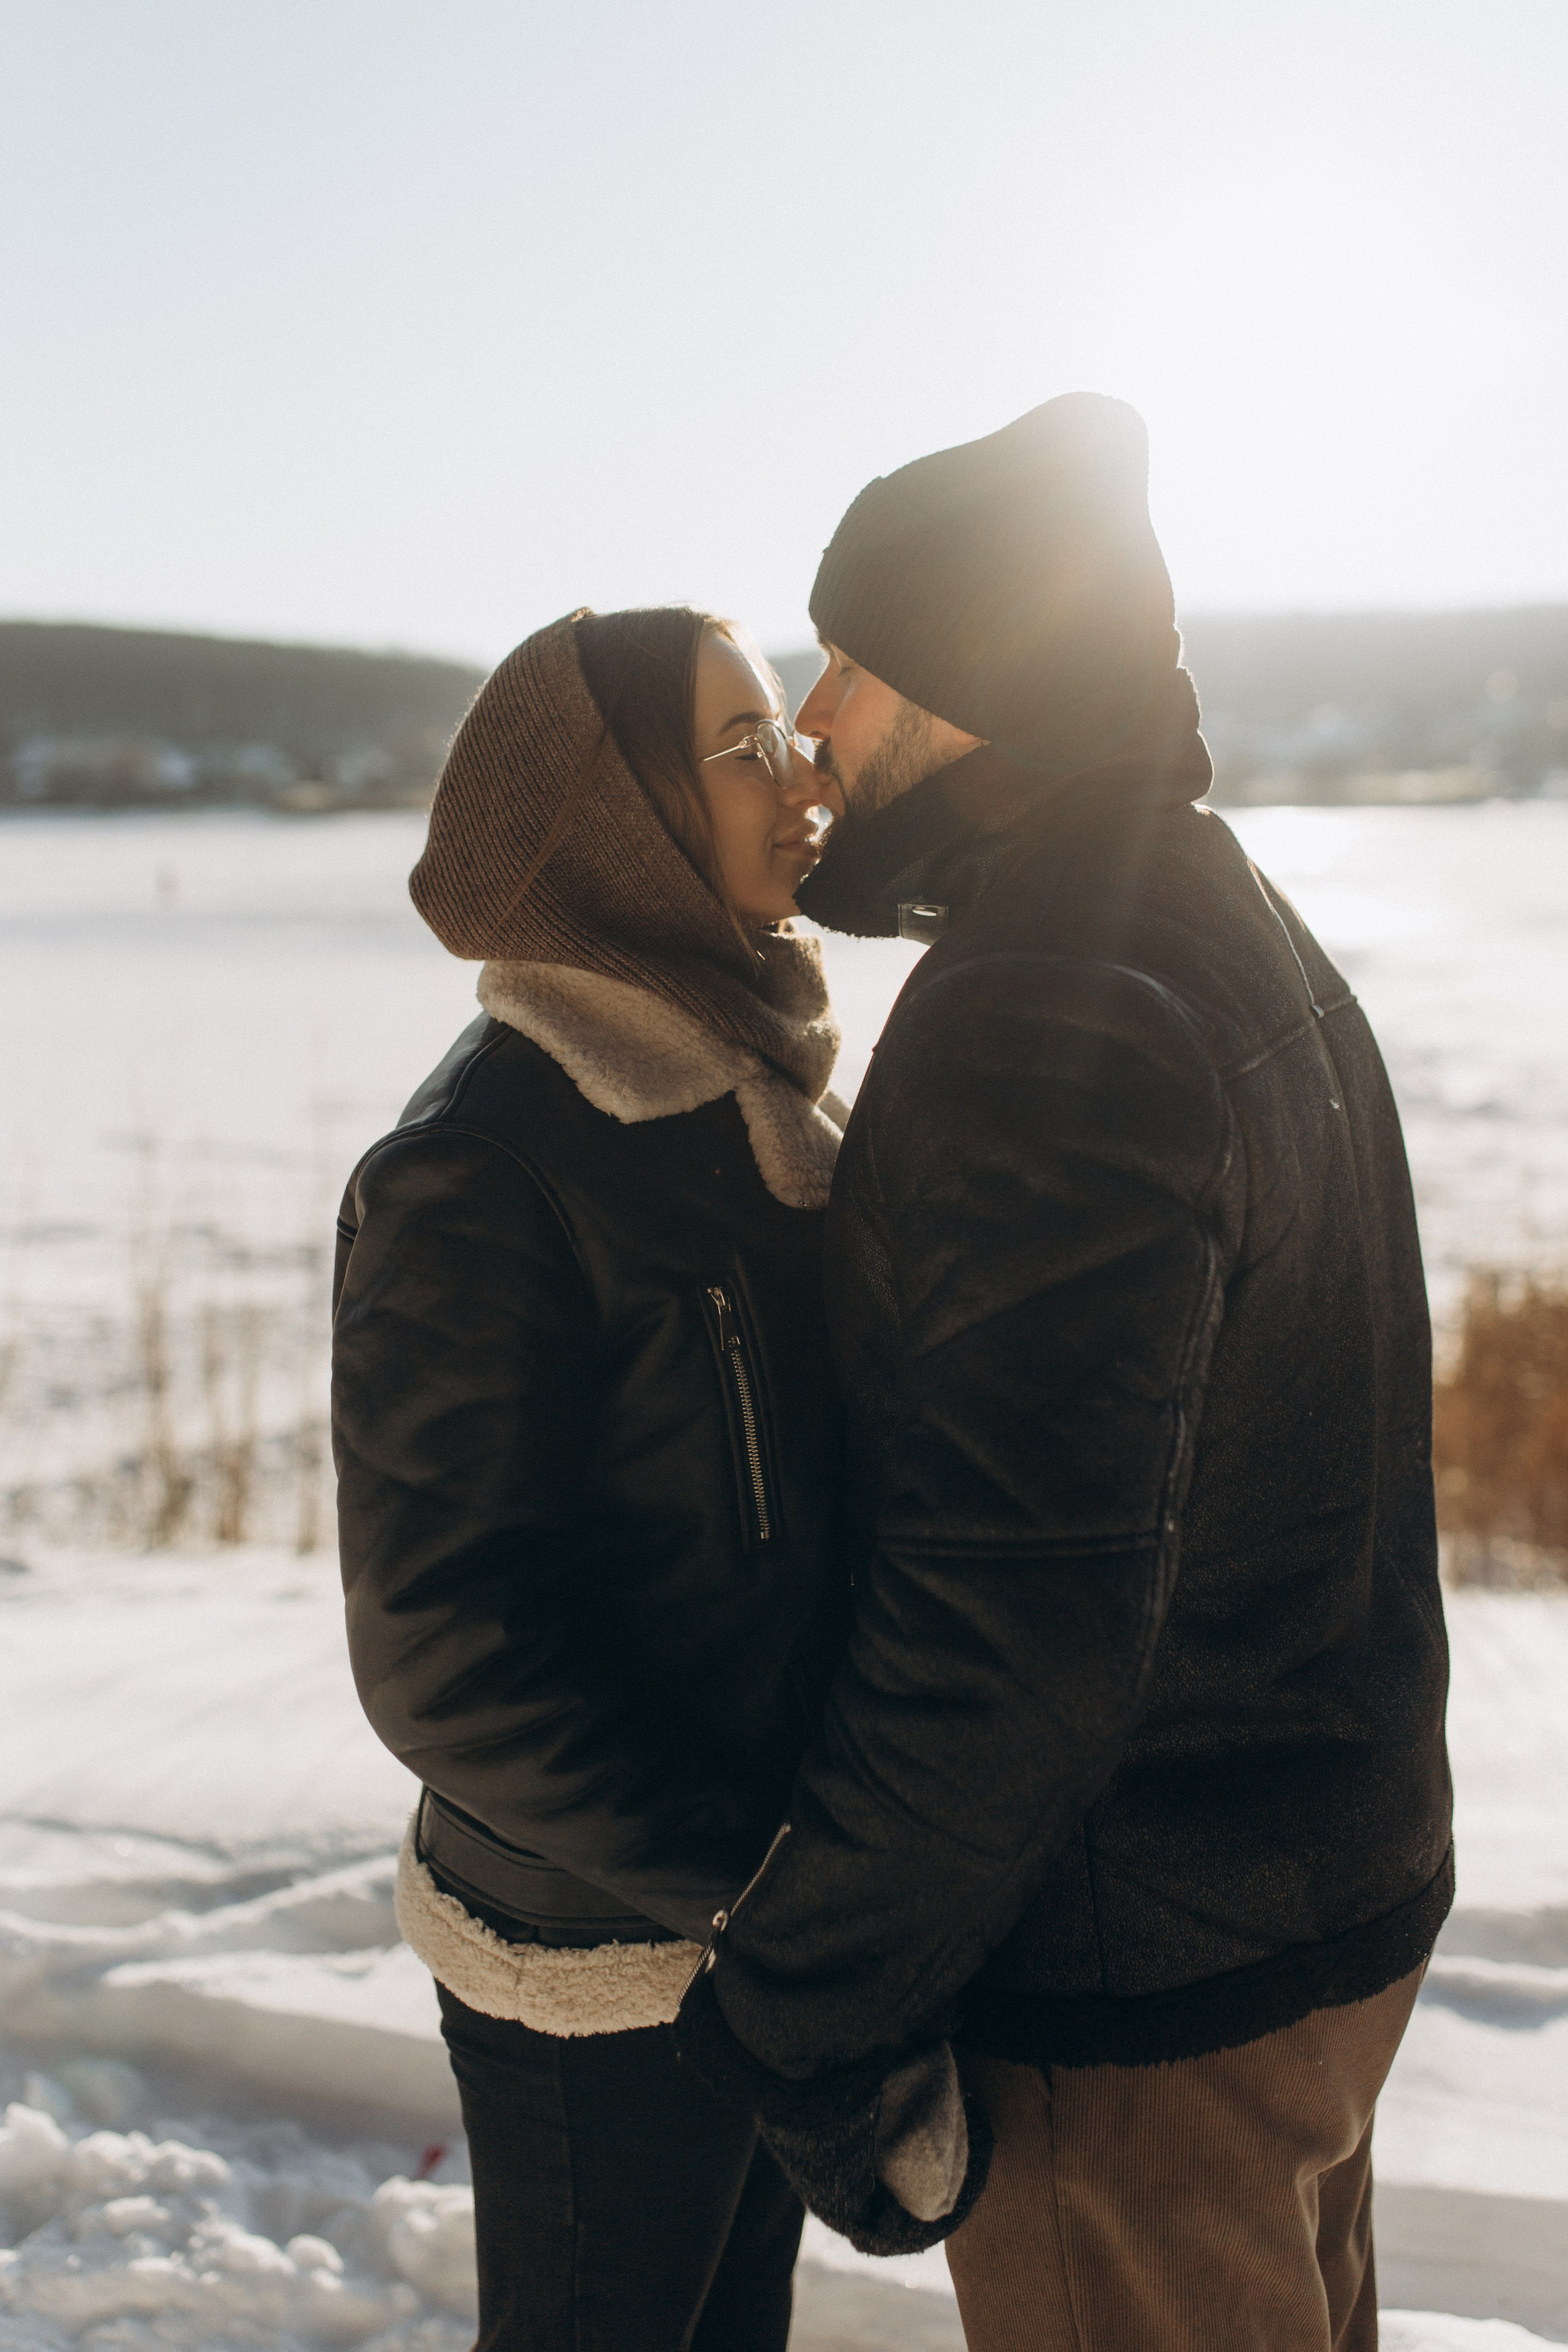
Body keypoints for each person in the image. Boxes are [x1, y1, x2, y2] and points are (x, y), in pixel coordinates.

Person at [673, 397, 1454, 2350]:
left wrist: (817, 1998)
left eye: (860, 665)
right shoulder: (1207, 909)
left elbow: (1014, 1607)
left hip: (1143, 1996)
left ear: (985, 682)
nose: (817, 725)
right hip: (1305, 1897)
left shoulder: (1055, 1003)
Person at [331, 605, 853, 2351]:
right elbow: (446, 1653)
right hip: (601, 1967)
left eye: (790, 731)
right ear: (616, 810)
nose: (806, 777)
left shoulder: (754, 1101)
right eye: (742, 744)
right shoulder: (483, 1166)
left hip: (758, 1933)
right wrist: (750, 1884)